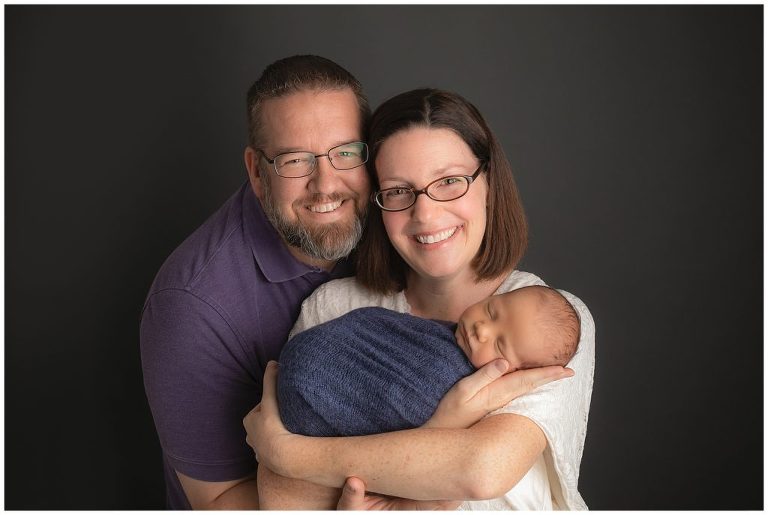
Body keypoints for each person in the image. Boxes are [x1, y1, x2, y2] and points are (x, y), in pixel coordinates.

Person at [245, 88, 596, 510]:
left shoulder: (548, 319)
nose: (425, 215)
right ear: (378, 201)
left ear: (488, 182)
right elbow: (284, 501)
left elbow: (480, 469)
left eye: (449, 181)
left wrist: (285, 453)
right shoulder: (332, 307)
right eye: (398, 191)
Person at [139, 55, 373, 509]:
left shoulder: (393, 217)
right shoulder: (191, 306)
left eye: (345, 151)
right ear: (256, 171)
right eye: (294, 160)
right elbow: (219, 500)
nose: (326, 185)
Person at [278, 285, 580, 437]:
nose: (482, 328)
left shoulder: (458, 383)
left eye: (500, 344)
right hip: (313, 357)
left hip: (306, 397)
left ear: (510, 373)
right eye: (491, 310)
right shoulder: (441, 332)